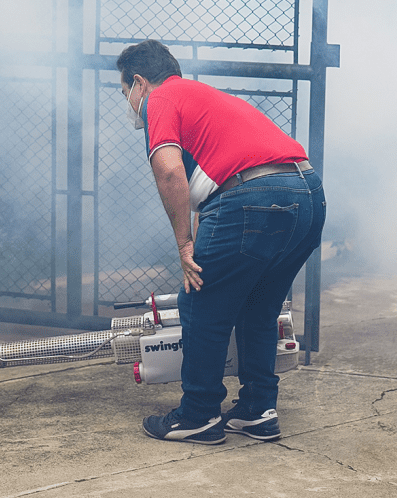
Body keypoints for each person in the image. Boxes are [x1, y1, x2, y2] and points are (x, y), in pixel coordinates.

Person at [116, 39, 327, 444]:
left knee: (201, 304)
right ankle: (257, 411)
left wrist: (183, 248)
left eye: (125, 91)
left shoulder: (162, 98)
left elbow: (170, 173)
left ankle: (197, 414)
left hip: (253, 198)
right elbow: (208, 187)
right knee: (259, 308)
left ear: (140, 83)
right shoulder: (205, 97)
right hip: (307, 195)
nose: (128, 102)